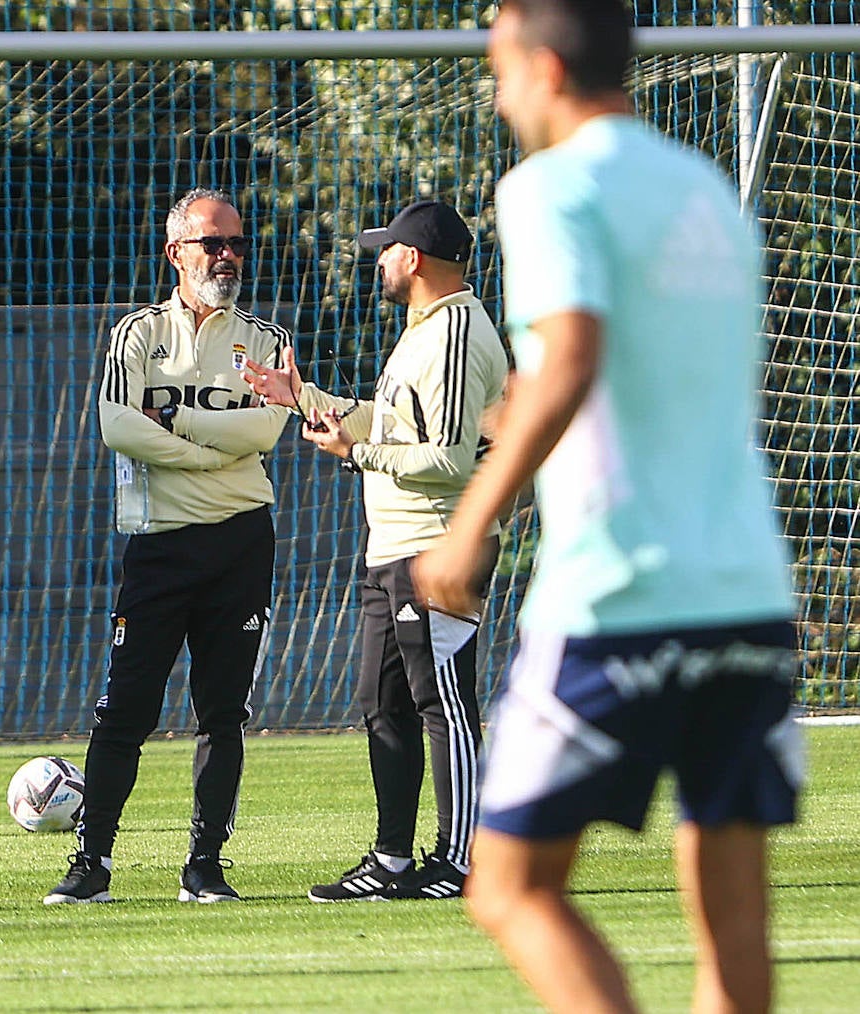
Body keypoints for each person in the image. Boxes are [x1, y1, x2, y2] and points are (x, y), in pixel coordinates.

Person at [412, 2, 802, 1010]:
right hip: (746, 588)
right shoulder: (705, 191)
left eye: (500, 67)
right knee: (733, 917)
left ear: (543, 67)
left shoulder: (550, 188)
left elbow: (574, 358)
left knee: (508, 887)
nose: (496, 93)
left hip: (621, 588)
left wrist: (470, 524)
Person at [244, 200, 508, 901]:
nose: (379, 260)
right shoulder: (424, 330)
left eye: (386, 250)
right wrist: (300, 395)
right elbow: (389, 422)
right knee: (381, 702)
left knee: (441, 703)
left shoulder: (454, 332)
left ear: (414, 260)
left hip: (439, 548)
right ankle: (392, 859)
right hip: (392, 547)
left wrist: (355, 452)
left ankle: (459, 864)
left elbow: (449, 461)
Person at [43, 187, 292, 904]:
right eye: (212, 242)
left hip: (242, 542)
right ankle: (91, 864)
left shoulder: (266, 340)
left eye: (237, 243)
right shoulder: (138, 335)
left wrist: (175, 424)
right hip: (158, 545)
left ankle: (205, 866)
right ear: (174, 251)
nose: (228, 256)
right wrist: (214, 448)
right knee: (126, 710)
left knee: (222, 712)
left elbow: (266, 432)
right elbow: (118, 427)